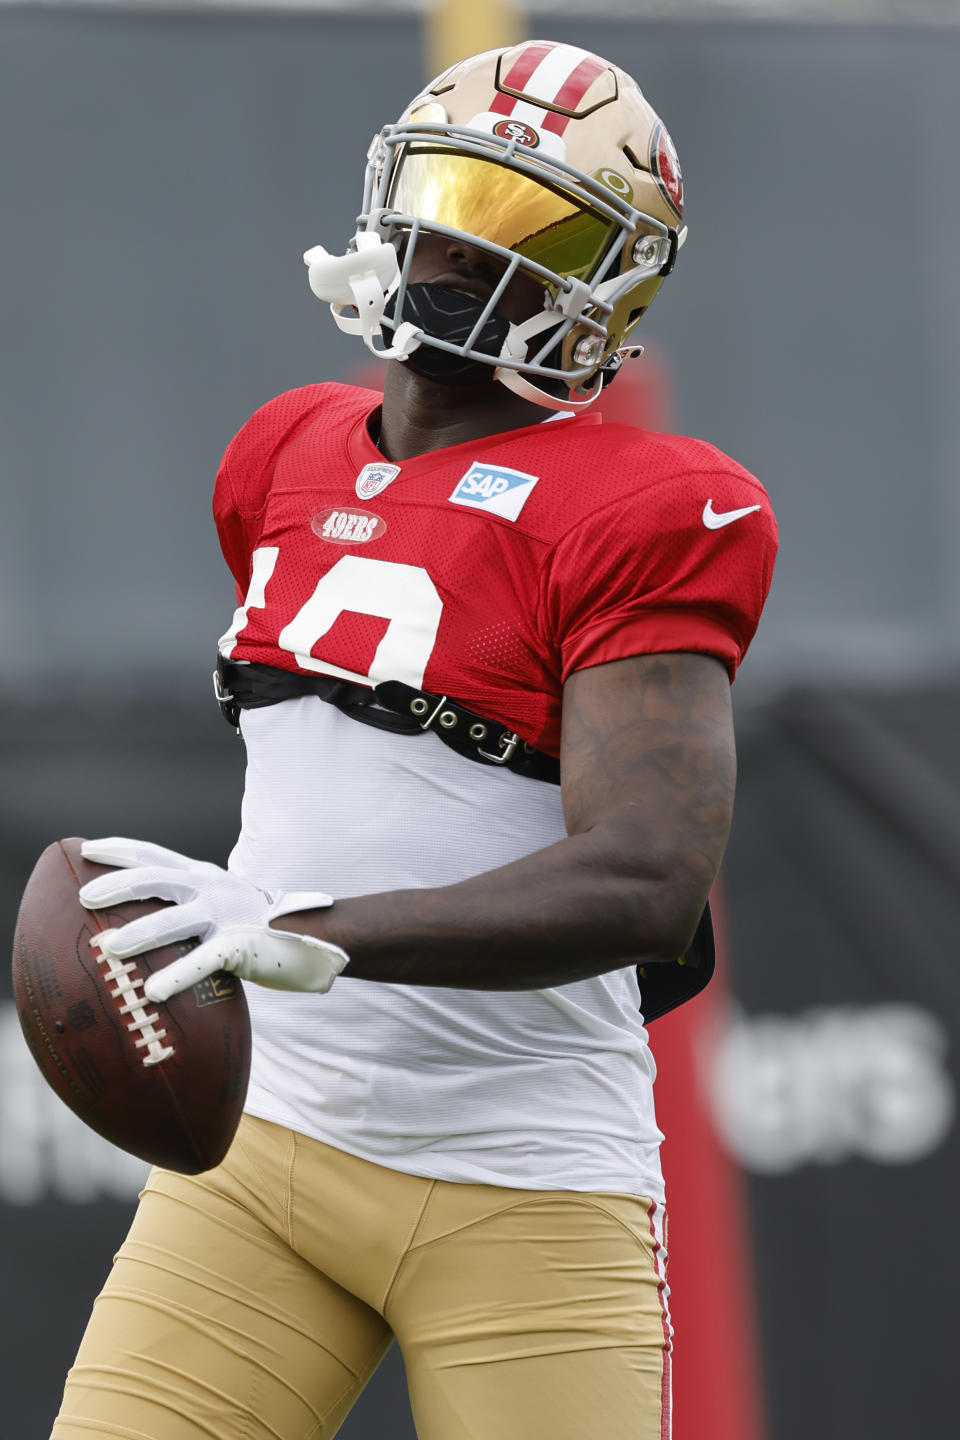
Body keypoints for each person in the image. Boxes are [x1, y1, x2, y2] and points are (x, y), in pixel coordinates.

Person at [51, 39, 777, 1440]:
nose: (461, 247)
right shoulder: (283, 453)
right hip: (266, 1151)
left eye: (530, 225)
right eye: (450, 194)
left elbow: (646, 878)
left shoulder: (652, 505)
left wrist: (310, 930)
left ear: (609, 282)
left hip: (524, 1183)